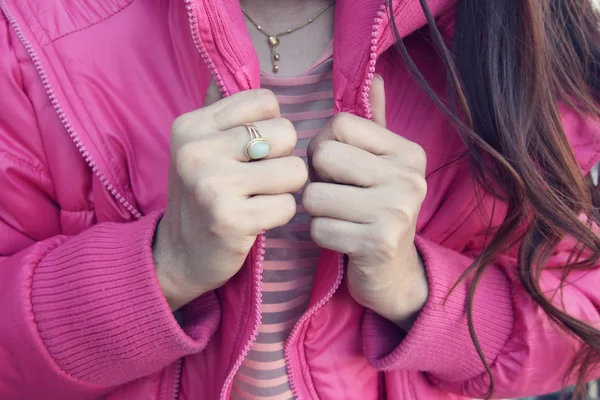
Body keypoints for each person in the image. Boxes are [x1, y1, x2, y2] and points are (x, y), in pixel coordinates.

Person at [1, 0, 599, 399]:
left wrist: (413, 289)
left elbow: (576, 324)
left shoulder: (523, 35)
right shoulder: (29, 35)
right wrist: (164, 267)